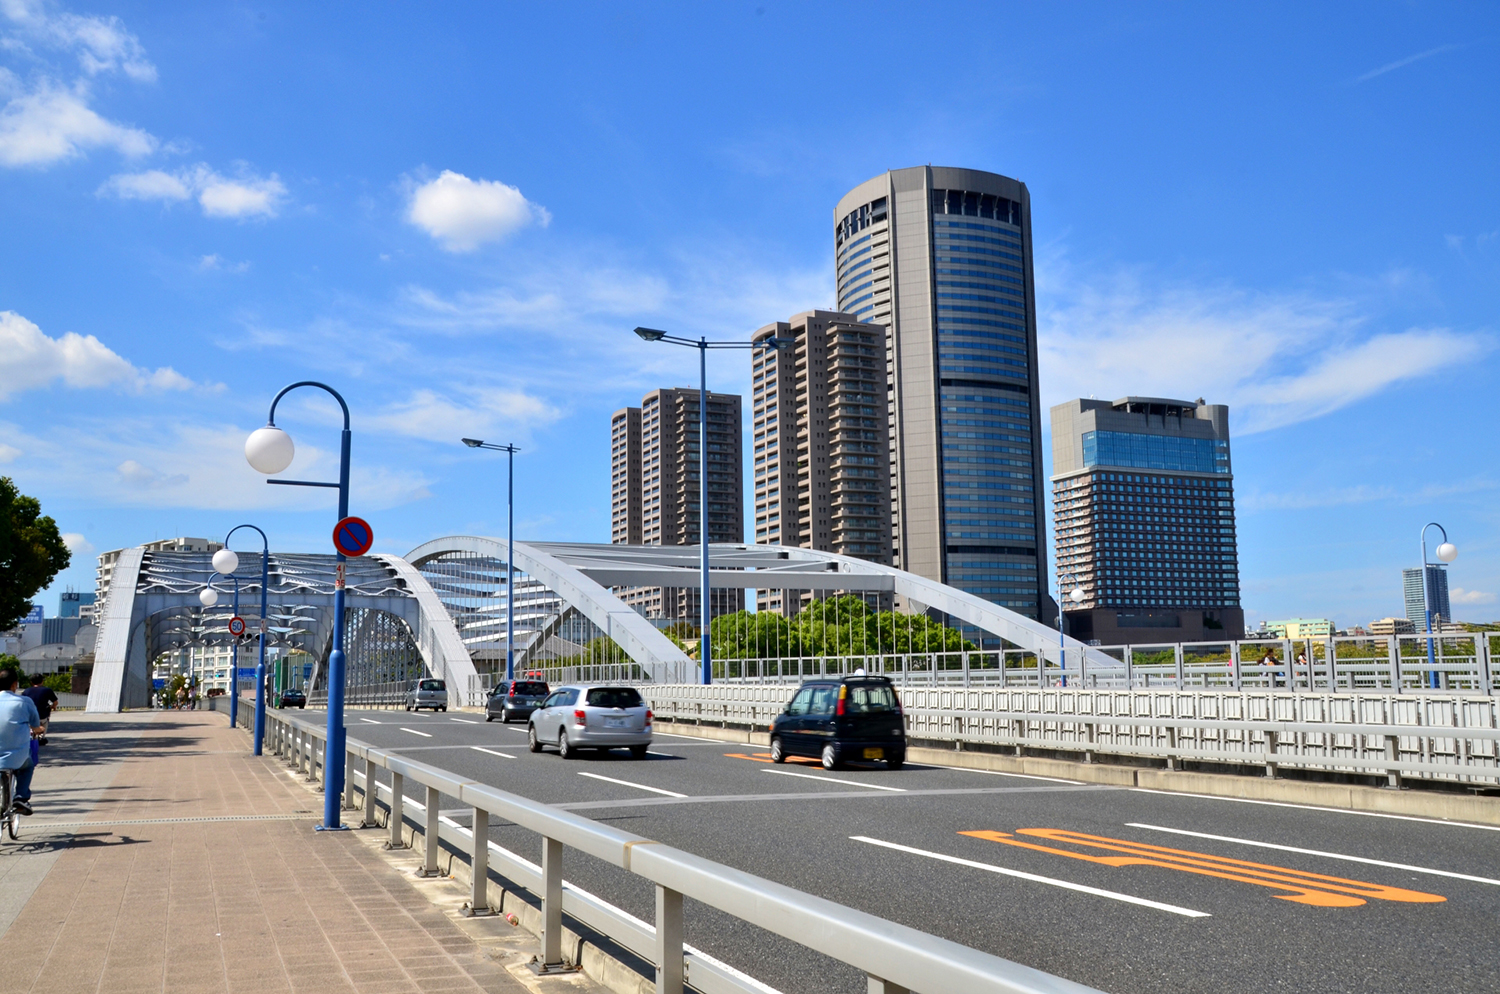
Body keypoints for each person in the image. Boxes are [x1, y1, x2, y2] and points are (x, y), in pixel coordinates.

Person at [0, 668, 41, 816]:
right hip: (16, 755)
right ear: (14, 685)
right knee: (27, 765)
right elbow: (35, 725)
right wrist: (39, 729)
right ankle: (21, 797)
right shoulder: (24, 701)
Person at [22, 674, 58, 746]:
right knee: (45, 721)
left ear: (31, 682)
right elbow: (55, 702)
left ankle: (30, 736)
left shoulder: (26, 691)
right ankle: (42, 737)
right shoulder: (47, 690)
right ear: (42, 681)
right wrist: (53, 706)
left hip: (30, 716)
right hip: (42, 715)